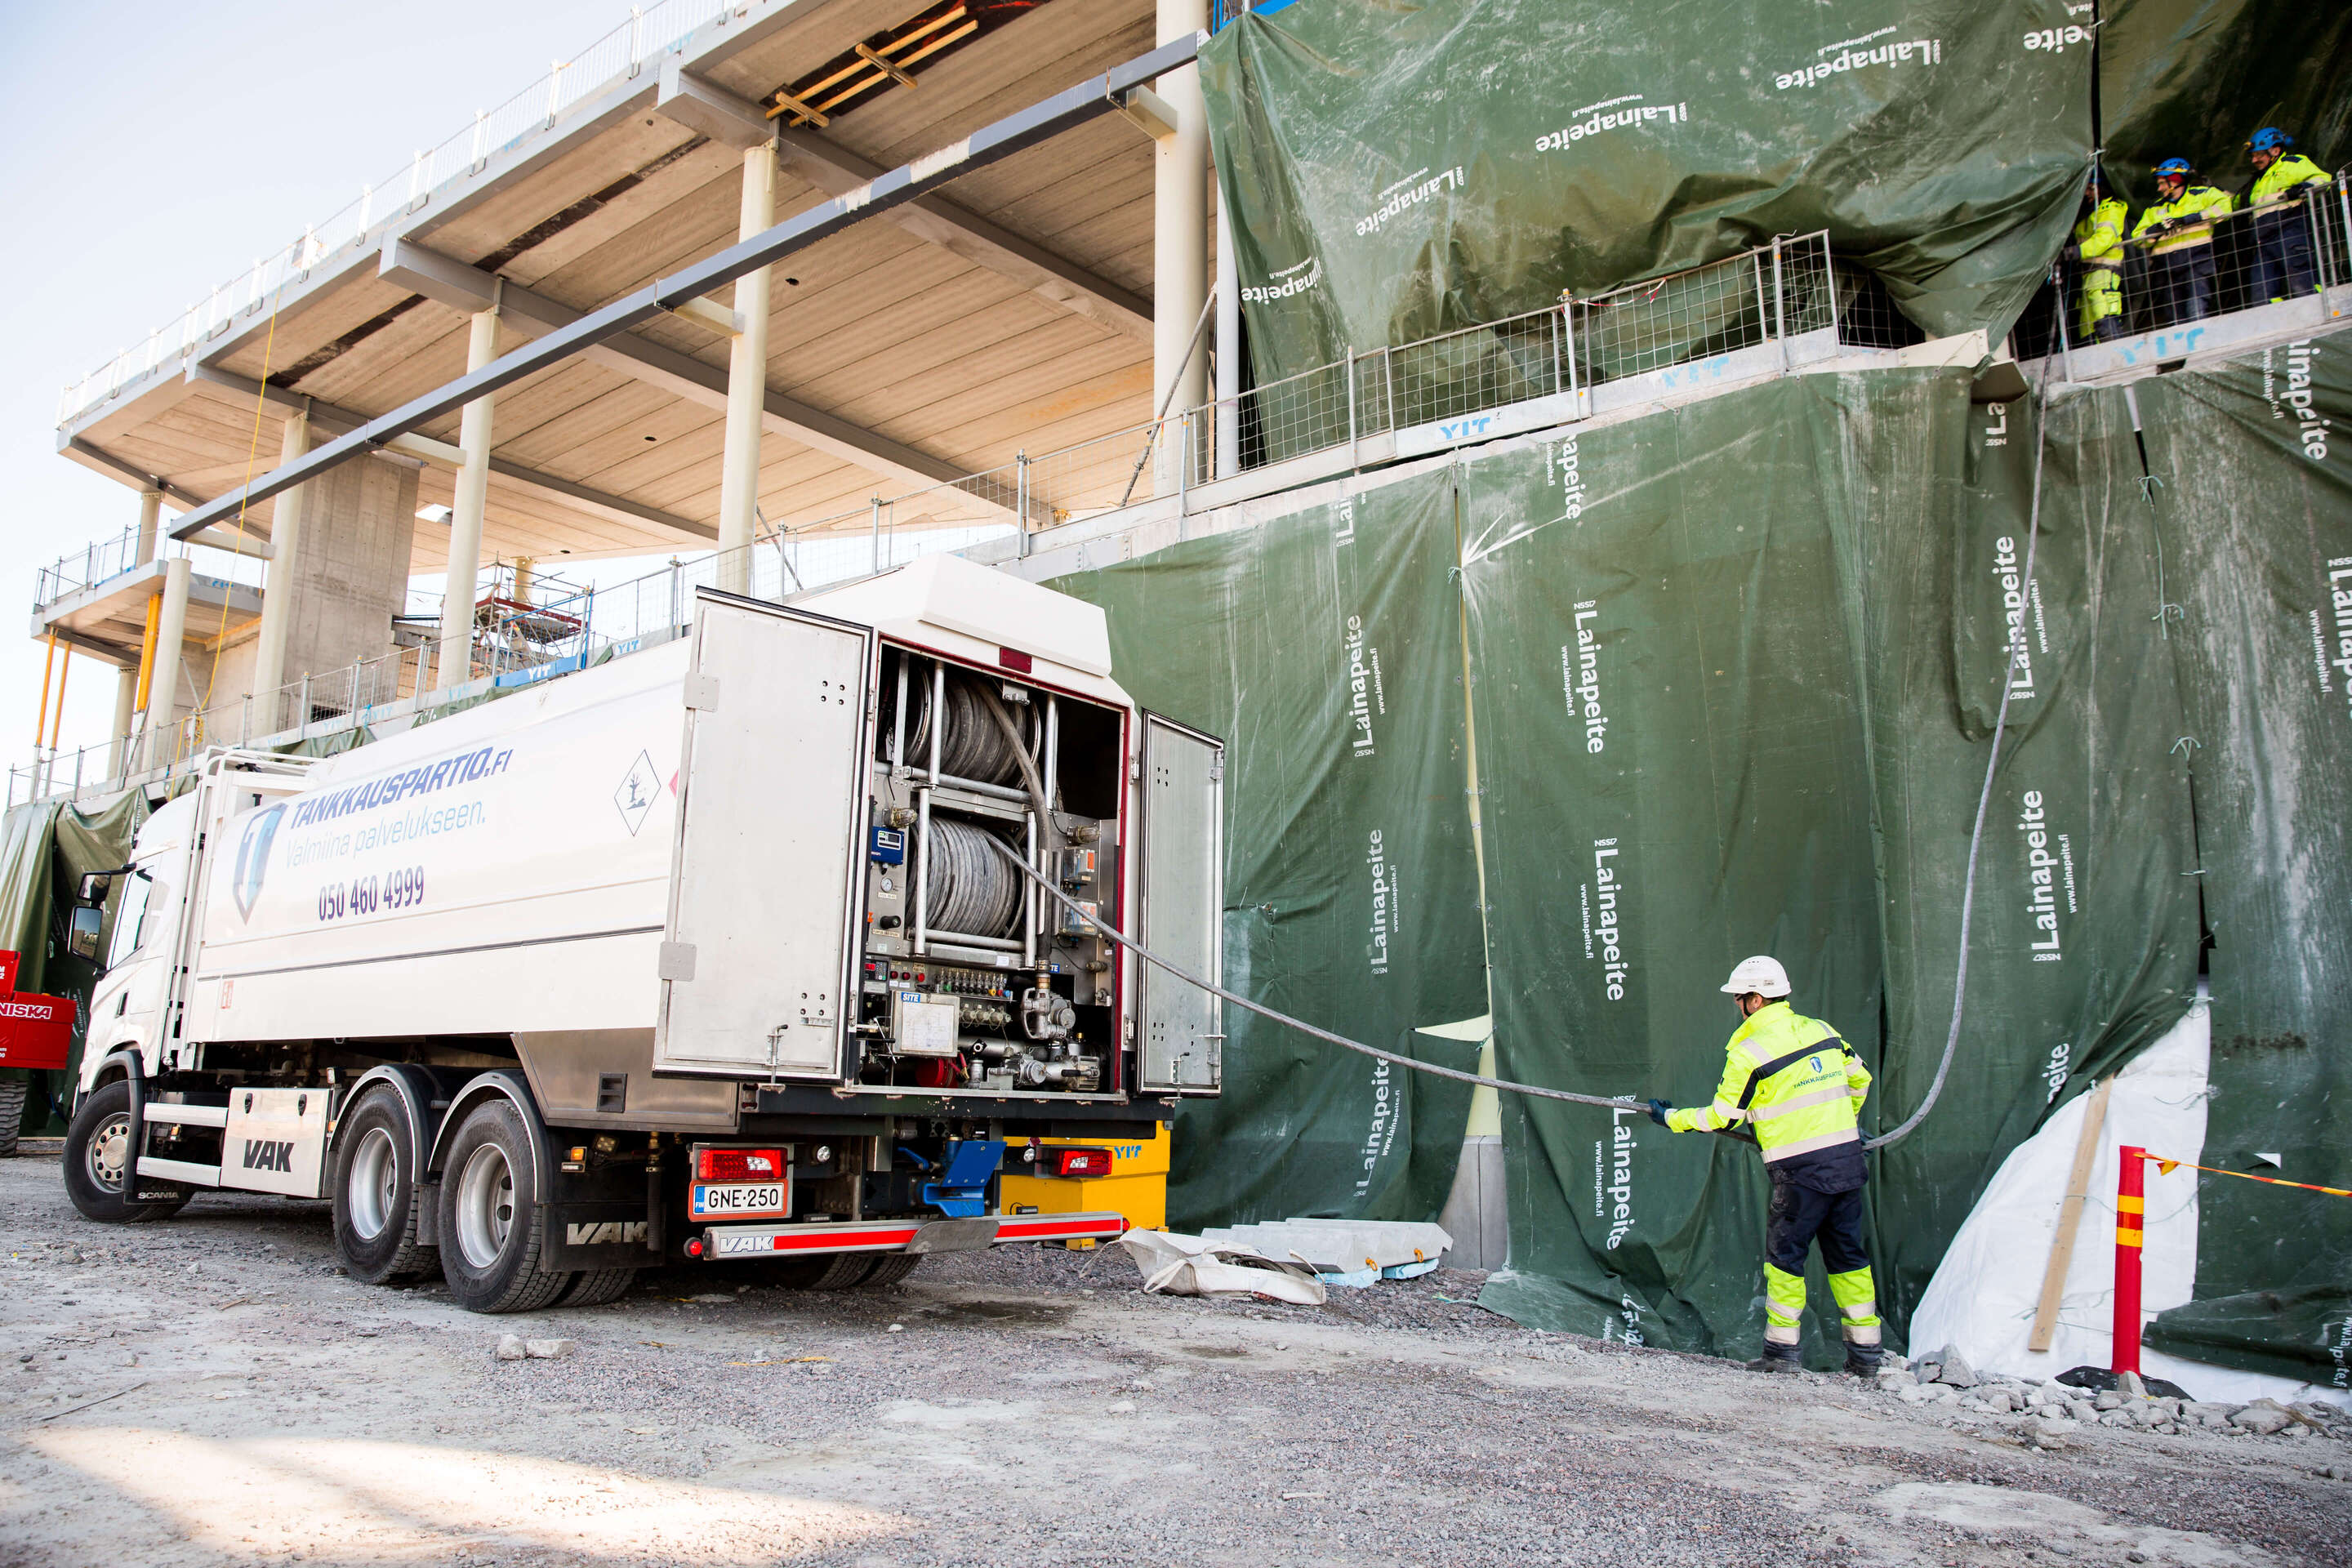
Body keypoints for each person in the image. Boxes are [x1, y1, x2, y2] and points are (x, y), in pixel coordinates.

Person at [1646, 956, 1881, 1375]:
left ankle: (1781, 1353)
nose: (1737, 1006)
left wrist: (1670, 1118)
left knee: (1786, 1260)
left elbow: (1724, 1117)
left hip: (1800, 1172)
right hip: (1845, 1160)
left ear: (1754, 1000)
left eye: (1739, 999)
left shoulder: (1749, 1052)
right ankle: (1866, 1356)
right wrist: (1847, 1121)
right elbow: (1860, 1079)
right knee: (1848, 1256)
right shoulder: (1822, 1031)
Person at [2129, 158, 2234, 326]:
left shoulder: (2201, 195)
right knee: (2175, 321)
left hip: (2197, 265)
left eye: (2163, 183)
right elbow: (2138, 239)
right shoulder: (2155, 209)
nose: (2159, 188)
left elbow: (2226, 207)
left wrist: (2188, 219)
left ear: (2175, 181)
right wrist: (2156, 229)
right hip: (2168, 273)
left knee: (2197, 312)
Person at [2246, 127, 2332, 303]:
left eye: (2259, 155)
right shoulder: (2258, 179)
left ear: (2275, 151)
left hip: (2290, 234)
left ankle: (2317, 313)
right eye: (2252, 155)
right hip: (2263, 240)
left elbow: (2324, 179)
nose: (2254, 160)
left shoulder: (2291, 164)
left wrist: (2301, 189)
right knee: (2261, 293)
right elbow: (2238, 203)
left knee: (2302, 282)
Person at [2068, 173, 2129, 342]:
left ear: (2100, 188)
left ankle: (2117, 358)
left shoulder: (2110, 208)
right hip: (2088, 275)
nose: (2087, 193)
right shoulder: (2088, 213)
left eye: (2090, 189)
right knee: (2089, 327)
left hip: (2104, 272)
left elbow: (2104, 239)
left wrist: (2076, 252)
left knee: (2105, 319)